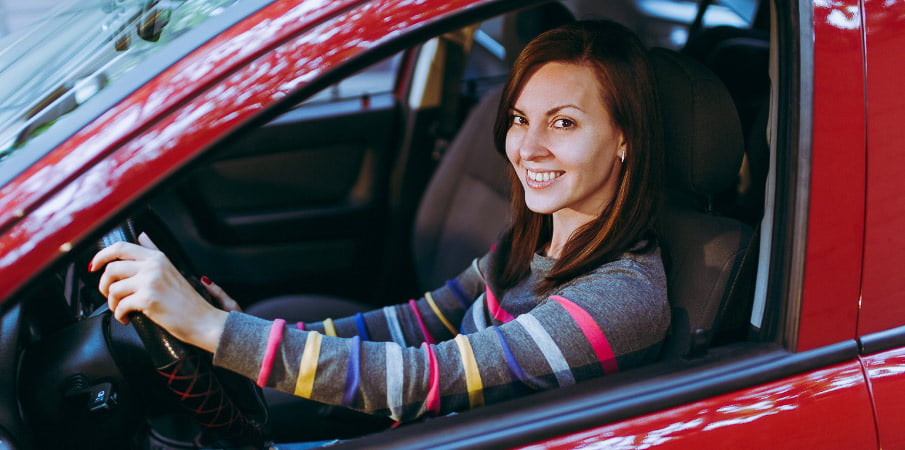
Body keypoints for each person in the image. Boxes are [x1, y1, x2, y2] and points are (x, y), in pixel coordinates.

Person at [90, 19, 669, 426]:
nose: (528, 148)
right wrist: (236, 328)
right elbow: (422, 320)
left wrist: (215, 333)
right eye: (520, 118)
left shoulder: (618, 300)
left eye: (564, 123)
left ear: (624, 139)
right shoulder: (537, 238)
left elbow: (429, 378)